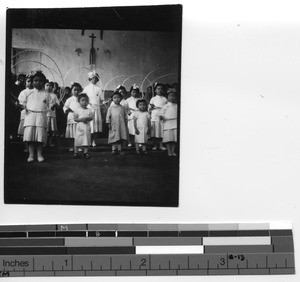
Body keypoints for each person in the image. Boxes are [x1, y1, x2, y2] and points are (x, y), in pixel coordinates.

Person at [19, 71, 52, 162]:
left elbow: (49, 105)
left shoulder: (46, 94)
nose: (38, 82)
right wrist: (22, 106)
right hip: (30, 116)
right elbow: (22, 103)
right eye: (36, 80)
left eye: (40, 81)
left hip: (41, 116)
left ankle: (39, 154)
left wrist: (51, 107)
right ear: (32, 82)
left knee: (40, 136)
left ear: (44, 82)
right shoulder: (28, 93)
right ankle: (31, 154)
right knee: (30, 136)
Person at [83, 71, 103, 147]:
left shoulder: (99, 89)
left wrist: (103, 102)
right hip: (89, 108)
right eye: (93, 78)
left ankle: (94, 140)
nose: (94, 80)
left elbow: (101, 100)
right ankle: (88, 140)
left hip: (96, 109)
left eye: (96, 78)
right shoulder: (86, 88)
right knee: (89, 125)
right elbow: (83, 98)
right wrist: (87, 104)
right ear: (90, 79)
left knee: (95, 125)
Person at [73, 93, 94, 159]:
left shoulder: (89, 110)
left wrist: (86, 118)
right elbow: (75, 119)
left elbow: (91, 118)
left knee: (86, 139)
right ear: (79, 101)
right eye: (83, 100)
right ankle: (76, 152)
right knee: (77, 139)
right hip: (79, 127)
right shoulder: (77, 109)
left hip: (86, 127)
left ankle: (86, 152)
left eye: (86, 100)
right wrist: (81, 119)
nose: (85, 102)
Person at [63, 82, 82, 152]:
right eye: (74, 90)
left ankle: (79, 146)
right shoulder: (69, 99)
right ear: (71, 91)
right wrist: (67, 109)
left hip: (79, 118)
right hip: (71, 118)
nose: (76, 92)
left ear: (80, 91)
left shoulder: (81, 99)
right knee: (71, 134)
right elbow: (65, 107)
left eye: (78, 90)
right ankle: (71, 146)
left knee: (79, 134)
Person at [149, 82, 168, 150]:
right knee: (154, 131)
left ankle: (161, 145)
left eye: (161, 89)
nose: (160, 90)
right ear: (155, 90)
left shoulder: (165, 99)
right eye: (158, 89)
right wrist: (152, 107)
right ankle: (155, 145)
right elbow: (149, 109)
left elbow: (167, 108)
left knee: (161, 131)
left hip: (162, 116)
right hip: (154, 116)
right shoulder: (153, 99)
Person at [160, 88, 178, 157]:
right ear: (167, 97)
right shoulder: (165, 106)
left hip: (175, 123)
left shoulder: (177, 106)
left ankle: (173, 151)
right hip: (167, 123)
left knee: (174, 139)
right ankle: (169, 151)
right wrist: (162, 117)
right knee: (168, 139)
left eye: (173, 96)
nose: (172, 97)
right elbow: (161, 113)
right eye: (170, 96)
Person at [45, 81, 59, 147]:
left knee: (52, 130)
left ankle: (50, 142)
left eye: (50, 86)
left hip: (52, 114)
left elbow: (58, 104)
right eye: (47, 85)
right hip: (45, 114)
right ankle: (44, 142)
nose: (49, 87)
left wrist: (55, 105)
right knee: (45, 129)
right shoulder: (43, 94)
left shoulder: (54, 95)